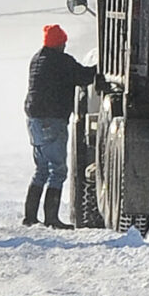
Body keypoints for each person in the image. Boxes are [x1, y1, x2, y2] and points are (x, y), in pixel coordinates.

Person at [24, 23, 90, 228]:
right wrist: (101, 68)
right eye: (64, 42)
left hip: (33, 121)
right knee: (58, 170)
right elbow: (84, 77)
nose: (65, 46)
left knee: (41, 169)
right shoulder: (61, 61)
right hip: (52, 120)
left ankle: (30, 217)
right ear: (60, 43)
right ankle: (51, 218)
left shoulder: (37, 59)